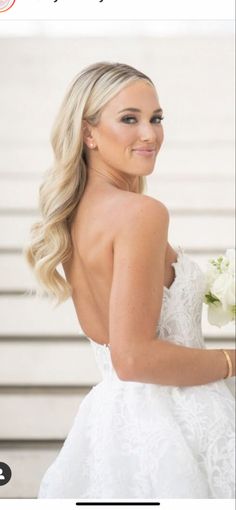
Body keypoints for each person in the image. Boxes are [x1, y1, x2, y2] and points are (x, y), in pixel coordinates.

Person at [24, 62, 235, 499]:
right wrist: (233, 359)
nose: (150, 134)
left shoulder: (76, 215)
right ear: (88, 133)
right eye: (129, 119)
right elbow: (134, 357)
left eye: (156, 119)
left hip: (114, 425)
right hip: (177, 420)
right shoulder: (141, 213)